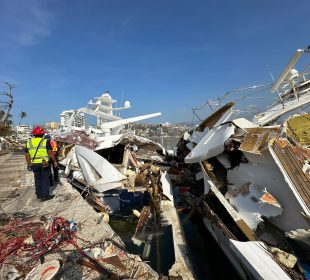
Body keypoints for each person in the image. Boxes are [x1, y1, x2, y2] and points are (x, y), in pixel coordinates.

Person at [25, 127, 58, 201]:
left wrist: (29, 164)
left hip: (34, 164)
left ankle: (39, 195)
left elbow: (27, 155)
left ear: (34, 134)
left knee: (37, 179)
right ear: (42, 134)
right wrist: (55, 161)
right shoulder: (46, 141)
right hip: (44, 164)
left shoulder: (29, 142)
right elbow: (50, 153)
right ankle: (45, 196)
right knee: (45, 179)